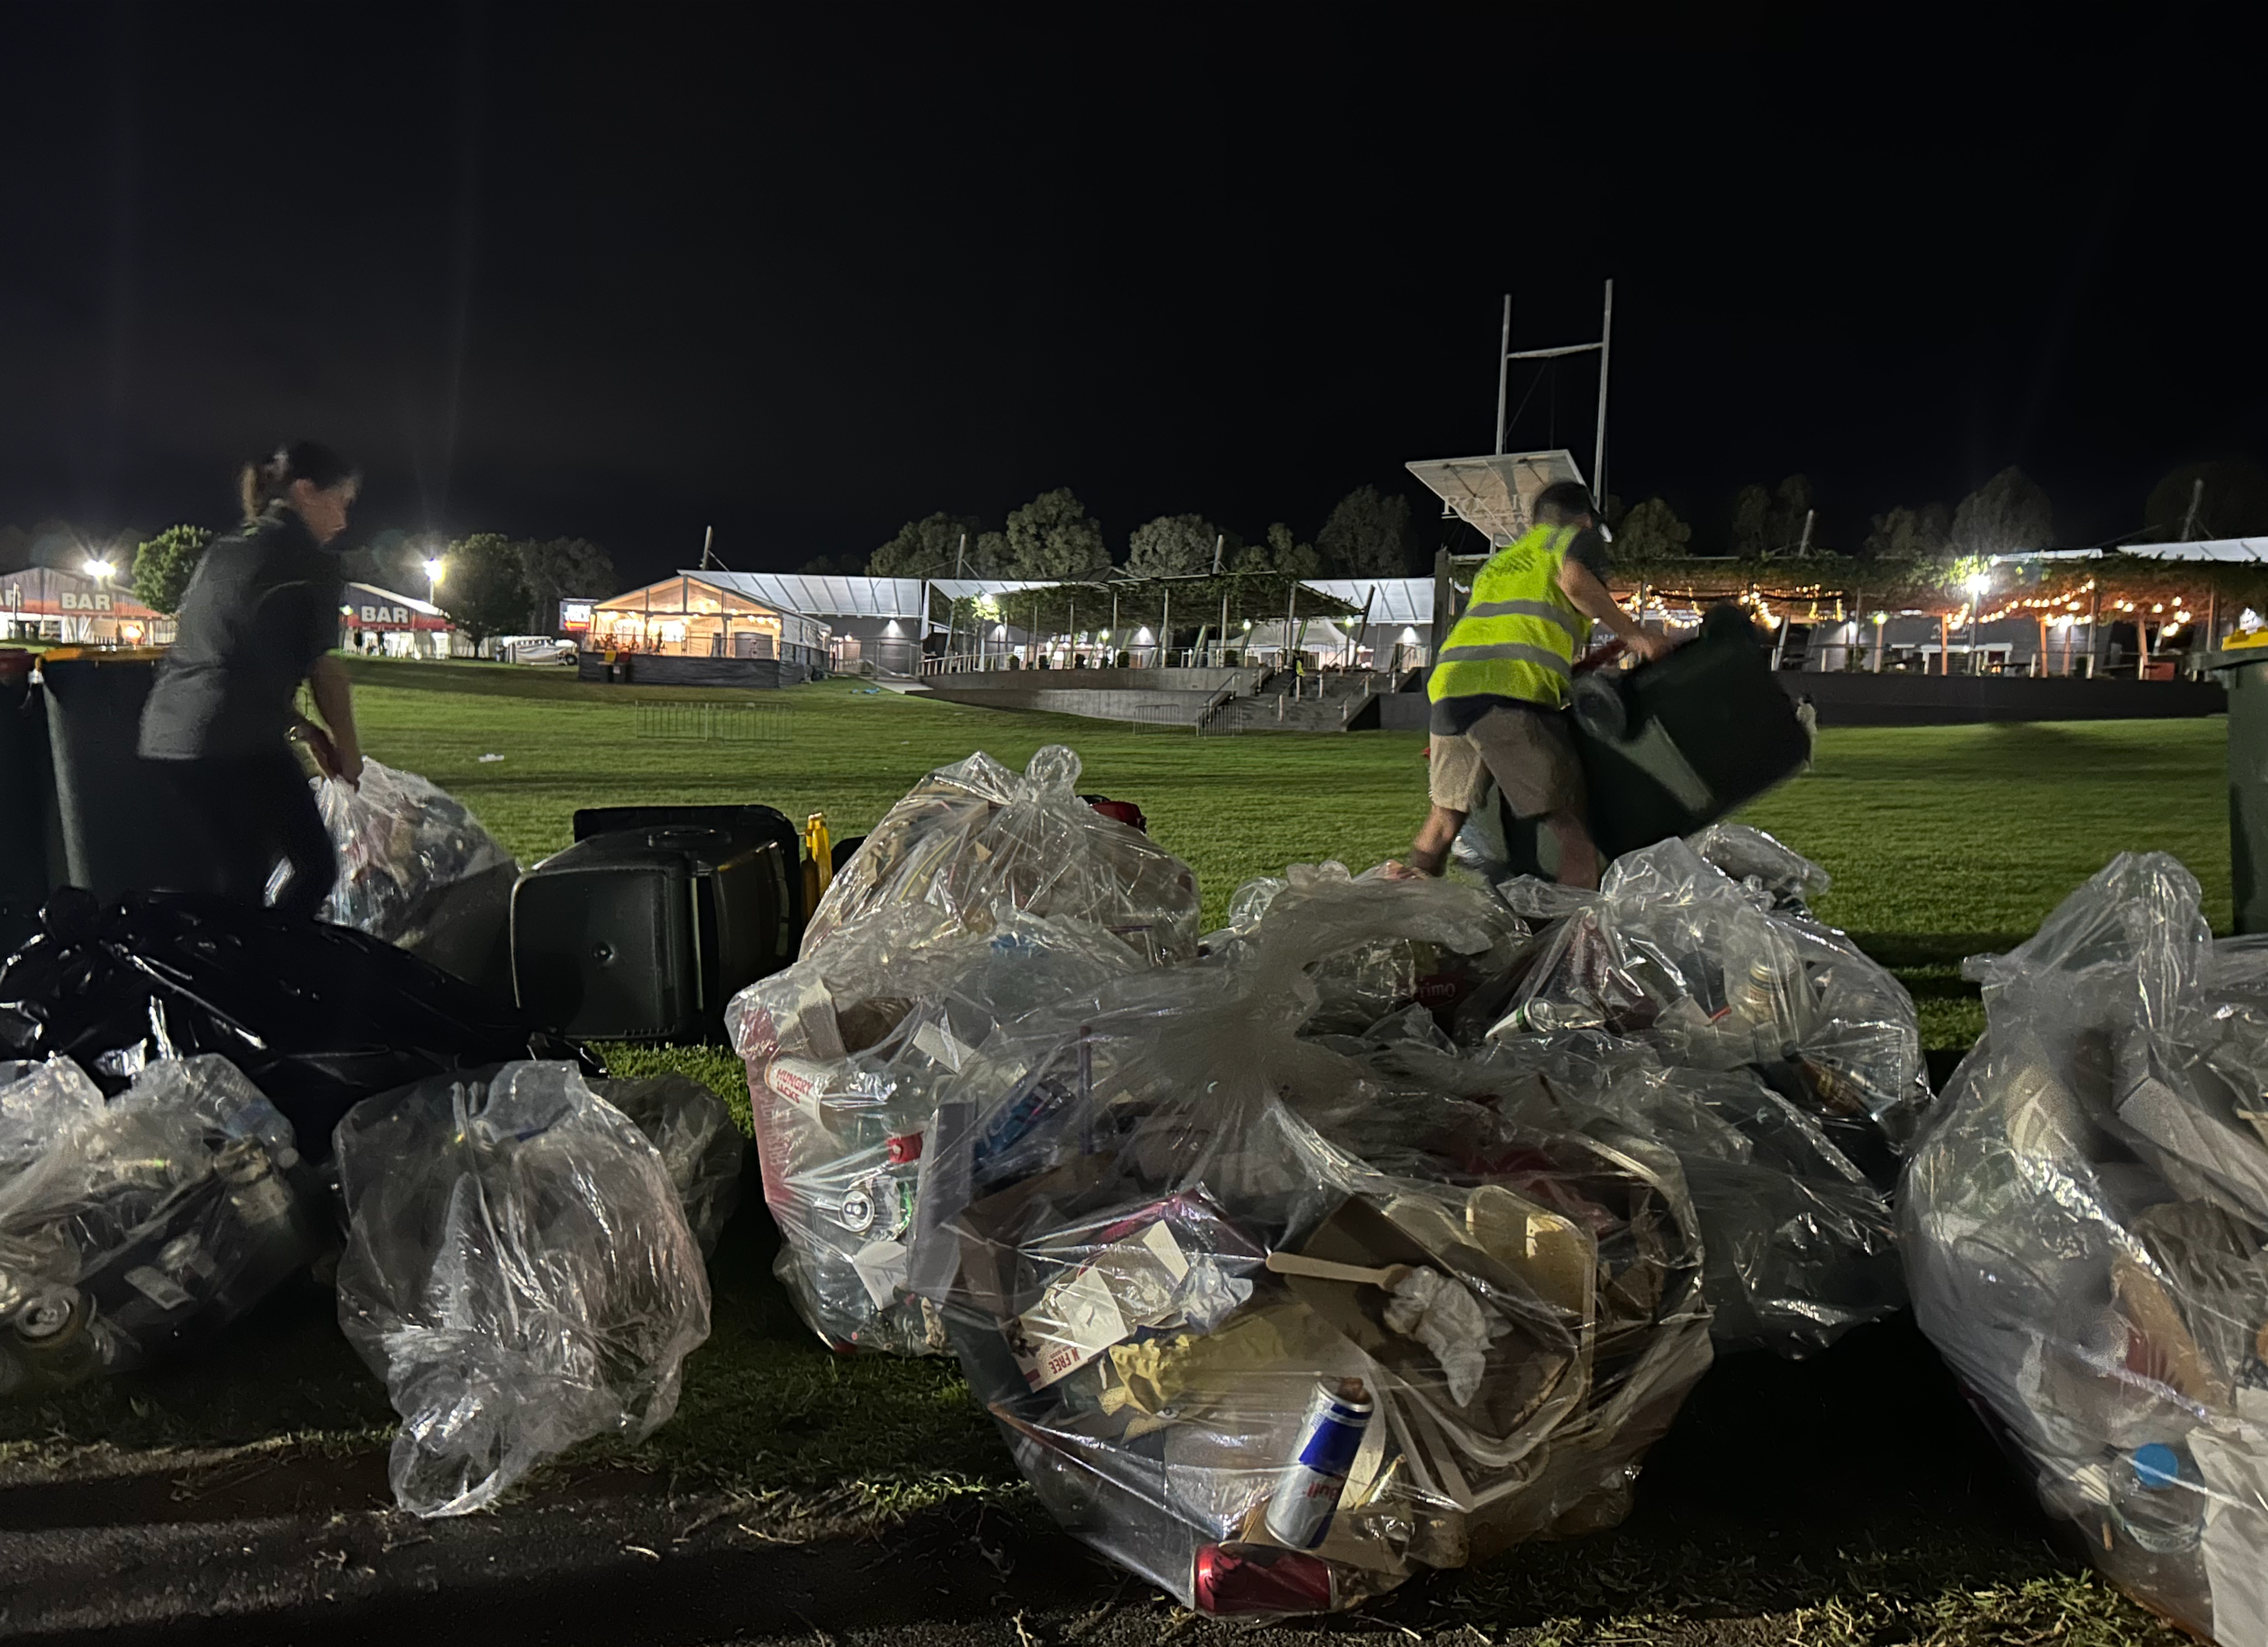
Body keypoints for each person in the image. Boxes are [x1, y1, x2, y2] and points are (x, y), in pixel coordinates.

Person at [1389, 480, 1670, 889]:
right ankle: (1570, 946)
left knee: (1444, 820)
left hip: (1452, 687)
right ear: (1585, 519)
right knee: (1574, 834)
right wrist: (1636, 635)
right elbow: (1574, 581)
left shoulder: (1503, 562)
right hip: (1508, 692)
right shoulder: (1574, 541)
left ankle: (1397, 909)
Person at [138, 441, 364, 919]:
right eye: (340, 502)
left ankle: (226, 967)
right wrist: (348, 749)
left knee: (238, 875)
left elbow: (232, 653)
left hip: (168, 738)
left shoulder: (228, 549)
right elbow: (326, 671)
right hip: (234, 742)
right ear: (306, 492)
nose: (343, 521)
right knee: (313, 868)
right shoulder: (310, 562)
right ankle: (256, 976)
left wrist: (305, 730)